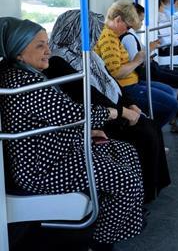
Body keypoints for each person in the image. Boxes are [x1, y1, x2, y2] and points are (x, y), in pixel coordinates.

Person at [0, 17, 144, 251]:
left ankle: (120, 221)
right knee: (127, 183)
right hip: (41, 169)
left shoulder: (28, 75)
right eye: (39, 45)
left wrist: (87, 132)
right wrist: (117, 113)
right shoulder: (23, 84)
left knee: (125, 150)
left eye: (47, 43)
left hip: (54, 152)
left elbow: (56, 119)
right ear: (18, 52)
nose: (48, 50)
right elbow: (74, 115)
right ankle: (100, 243)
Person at [46, 9, 171, 202]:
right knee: (143, 133)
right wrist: (123, 112)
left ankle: (153, 187)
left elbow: (111, 81)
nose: (96, 37)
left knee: (150, 124)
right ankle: (142, 195)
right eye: (93, 32)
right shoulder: (57, 61)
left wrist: (131, 104)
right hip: (95, 117)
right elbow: (86, 94)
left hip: (112, 108)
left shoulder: (88, 56)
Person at [94, 0, 178, 126]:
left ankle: (152, 129)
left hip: (132, 81)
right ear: (118, 20)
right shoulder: (108, 38)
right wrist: (137, 61)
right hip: (125, 87)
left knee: (169, 91)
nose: (127, 30)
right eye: (127, 27)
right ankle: (152, 131)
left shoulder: (112, 35)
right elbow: (116, 73)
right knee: (171, 105)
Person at [121, 3, 178, 135]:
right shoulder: (128, 38)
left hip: (152, 67)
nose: (142, 22)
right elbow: (138, 61)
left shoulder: (132, 34)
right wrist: (150, 50)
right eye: (141, 19)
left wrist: (150, 48)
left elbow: (142, 53)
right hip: (147, 72)